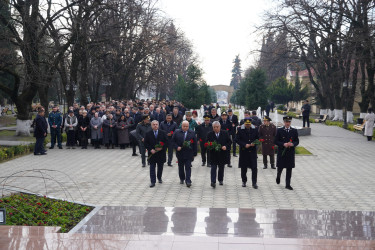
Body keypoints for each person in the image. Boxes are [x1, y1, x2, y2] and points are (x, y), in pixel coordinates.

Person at [274, 116, 300, 190]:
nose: (287, 123)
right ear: (284, 122)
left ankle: (287, 184)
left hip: (290, 153)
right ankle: (278, 176)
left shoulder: (294, 130)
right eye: (286, 122)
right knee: (280, 167)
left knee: (289, 168)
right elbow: (275, 141)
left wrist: (292, 144)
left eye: (289, 122)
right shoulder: (279, 130)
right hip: (282, 152)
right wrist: (283, 144)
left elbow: (297, 141)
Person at [206, 121, 232, 188]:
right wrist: (210, 146)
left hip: (222, 154)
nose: (216, 128)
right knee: (213, 168)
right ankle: (213, 181)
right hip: (213, 154)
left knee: (221, 168)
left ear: (220, 127)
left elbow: (229, 142)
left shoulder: (225, 133)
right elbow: (206, 143)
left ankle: (220, 180)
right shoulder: (209, 134)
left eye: (217, 127)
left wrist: (225, 146)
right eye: (214, 127)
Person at [172, 121, 197, 187]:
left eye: (187, 126)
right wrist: (177, 147)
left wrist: (194, 153)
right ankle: (182, 178)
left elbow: (194, 144)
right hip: (180, 153)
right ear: (181, 126)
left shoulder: (192, 132)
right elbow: (172, 141)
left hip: (189, 153)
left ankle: (188, 180)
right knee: (181, 167)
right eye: (184, 126)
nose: (185, 127)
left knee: (188, 167)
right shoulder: (177, 132)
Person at [236, 118, 259, 189]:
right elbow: (236, 139)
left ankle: (254, 182)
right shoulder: (240, 129)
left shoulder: (255, 129)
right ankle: (244, 181)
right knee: (244, 167)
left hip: (252, 151)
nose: (248, 126)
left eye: (249, 124)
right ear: (244, 124)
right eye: (246, 124)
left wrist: (254, 143)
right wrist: (244, 144)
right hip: (244, 151)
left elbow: (258, 139)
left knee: (254, 168)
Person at [144, 120, 168, 187]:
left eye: (156, 124)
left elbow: (166, 142)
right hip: (152, 154)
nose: (155, 126)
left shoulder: (163, 133)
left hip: (161, 154)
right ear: (151, 126)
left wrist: (162, 148)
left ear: (158, 125)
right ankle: (153, 181)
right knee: (152, 168)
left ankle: (159, 177)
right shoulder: (148, 133)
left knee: (160, 167)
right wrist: (150, 149)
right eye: (153, 124)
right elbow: (145, 143)